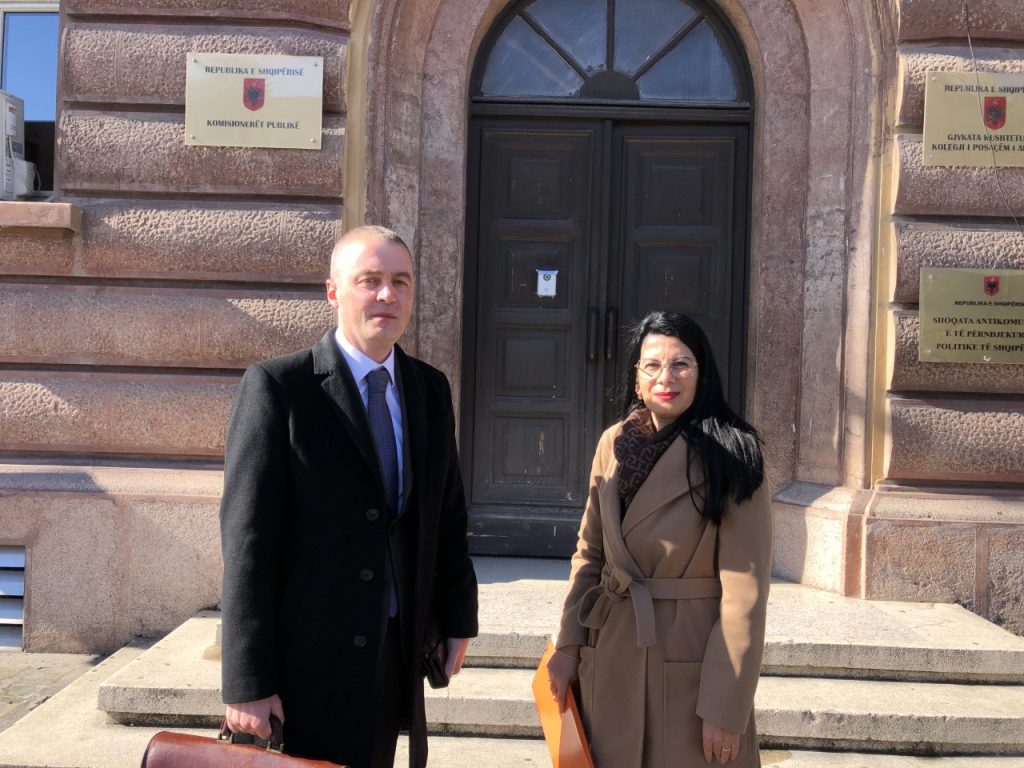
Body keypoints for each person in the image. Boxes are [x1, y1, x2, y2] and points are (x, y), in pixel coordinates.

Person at [219, 225, 479, 768]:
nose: (388, 295)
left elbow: (446, 516)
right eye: (370, 280)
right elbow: (248, 544)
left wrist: (458, 617)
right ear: (334, 292)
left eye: (401, 282)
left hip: (393, 652)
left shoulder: (429, 389)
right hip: (305, 664)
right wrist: (247, 680)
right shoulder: (279, 388)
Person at [547, 311, 771, 768]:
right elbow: (590, 553)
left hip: (688, 662)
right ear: (636, 378)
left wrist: (725, 706)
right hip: (611, 649)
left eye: (681, 364)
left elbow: (745, 594)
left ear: (702, 374)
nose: (665, 378)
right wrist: (569, 644)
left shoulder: (735, 454)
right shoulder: (613, 444)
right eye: (652, 365)